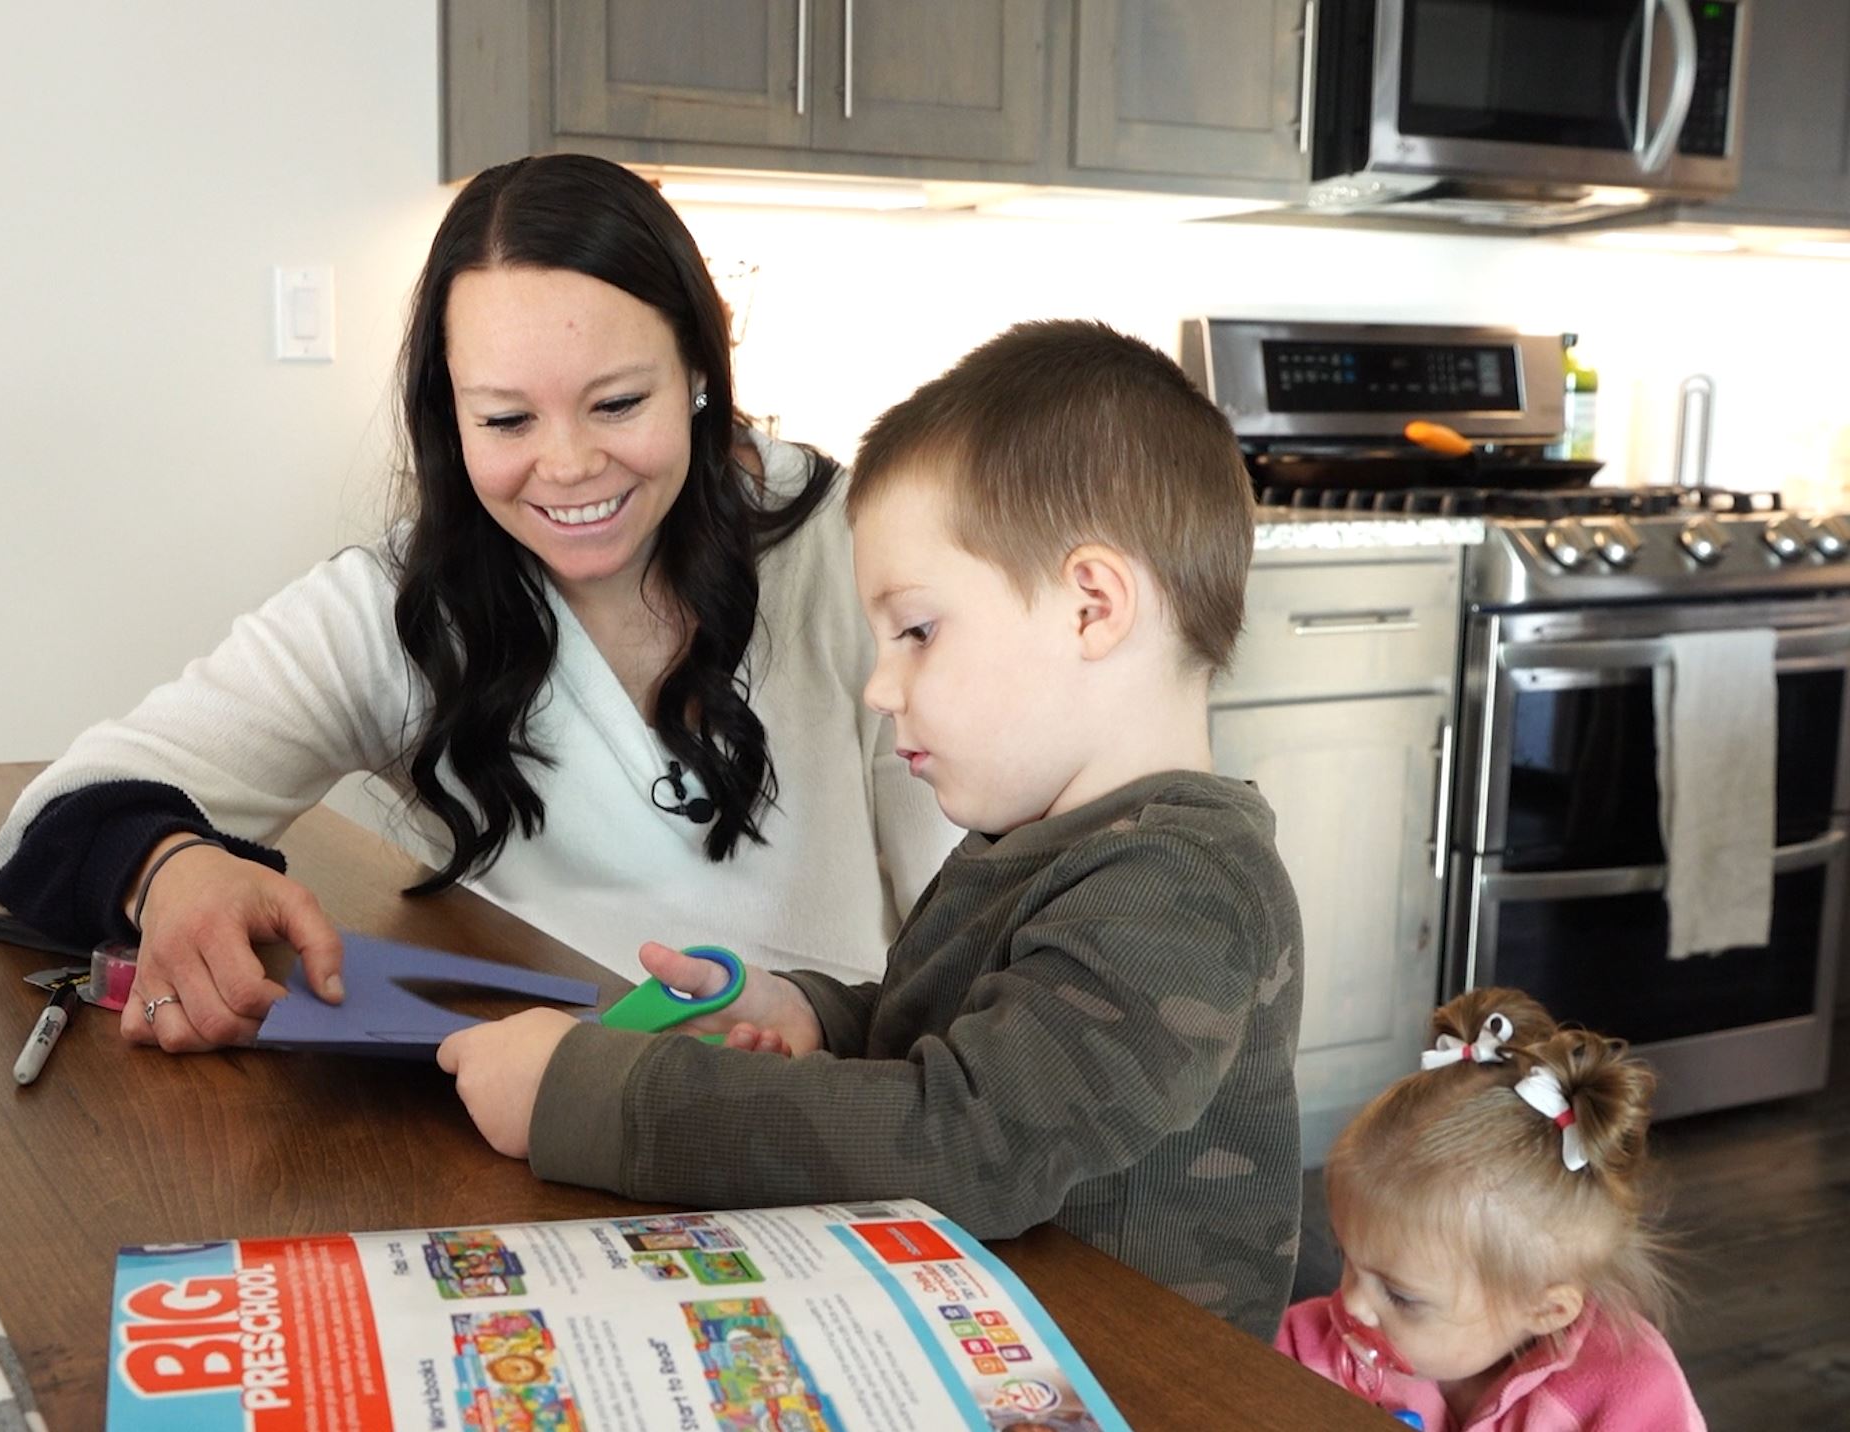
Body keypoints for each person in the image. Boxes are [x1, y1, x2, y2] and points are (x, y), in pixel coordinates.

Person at [438, 319, 1307, 1338]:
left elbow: (965, 1142)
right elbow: (968, 1026)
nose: (879, 684)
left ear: (1089, 606)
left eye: (917, 632)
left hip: (1125, 1384)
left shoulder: (1176, 885)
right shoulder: (1053, 843)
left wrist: (592, 1096)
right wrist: (814, 1016)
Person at [0, 153, 957, 1051]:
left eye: (618, 403)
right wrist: (165, 867)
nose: (569, 465)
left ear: (698, 372)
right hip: (548, 1128)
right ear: (448, 415)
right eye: (505, 418)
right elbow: (49, 821)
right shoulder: (399, 607)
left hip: (827, 1121)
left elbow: (975, 906)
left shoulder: (856, 547)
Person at [1276, 988, 1704, 1431]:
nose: (1352, 1303)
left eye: (1400, 1296)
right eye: (1346, 1257)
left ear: (1544, 1309)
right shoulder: (1316, 1345)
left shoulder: (1632, 1397)